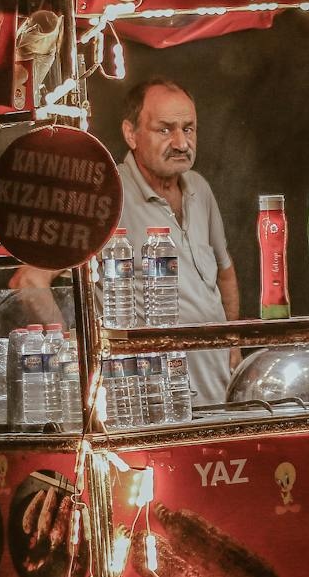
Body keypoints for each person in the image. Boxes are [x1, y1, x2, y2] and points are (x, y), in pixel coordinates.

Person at [13, 77, 240, 403]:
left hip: (217, 398)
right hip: (148, 408)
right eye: (165, 130)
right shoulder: (102, 194)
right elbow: (30, 281)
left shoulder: (200, 189)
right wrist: (75, 361)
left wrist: (233, 346)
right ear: (130, 134)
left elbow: (225, 271)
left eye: (188, 129)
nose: (180, 143)